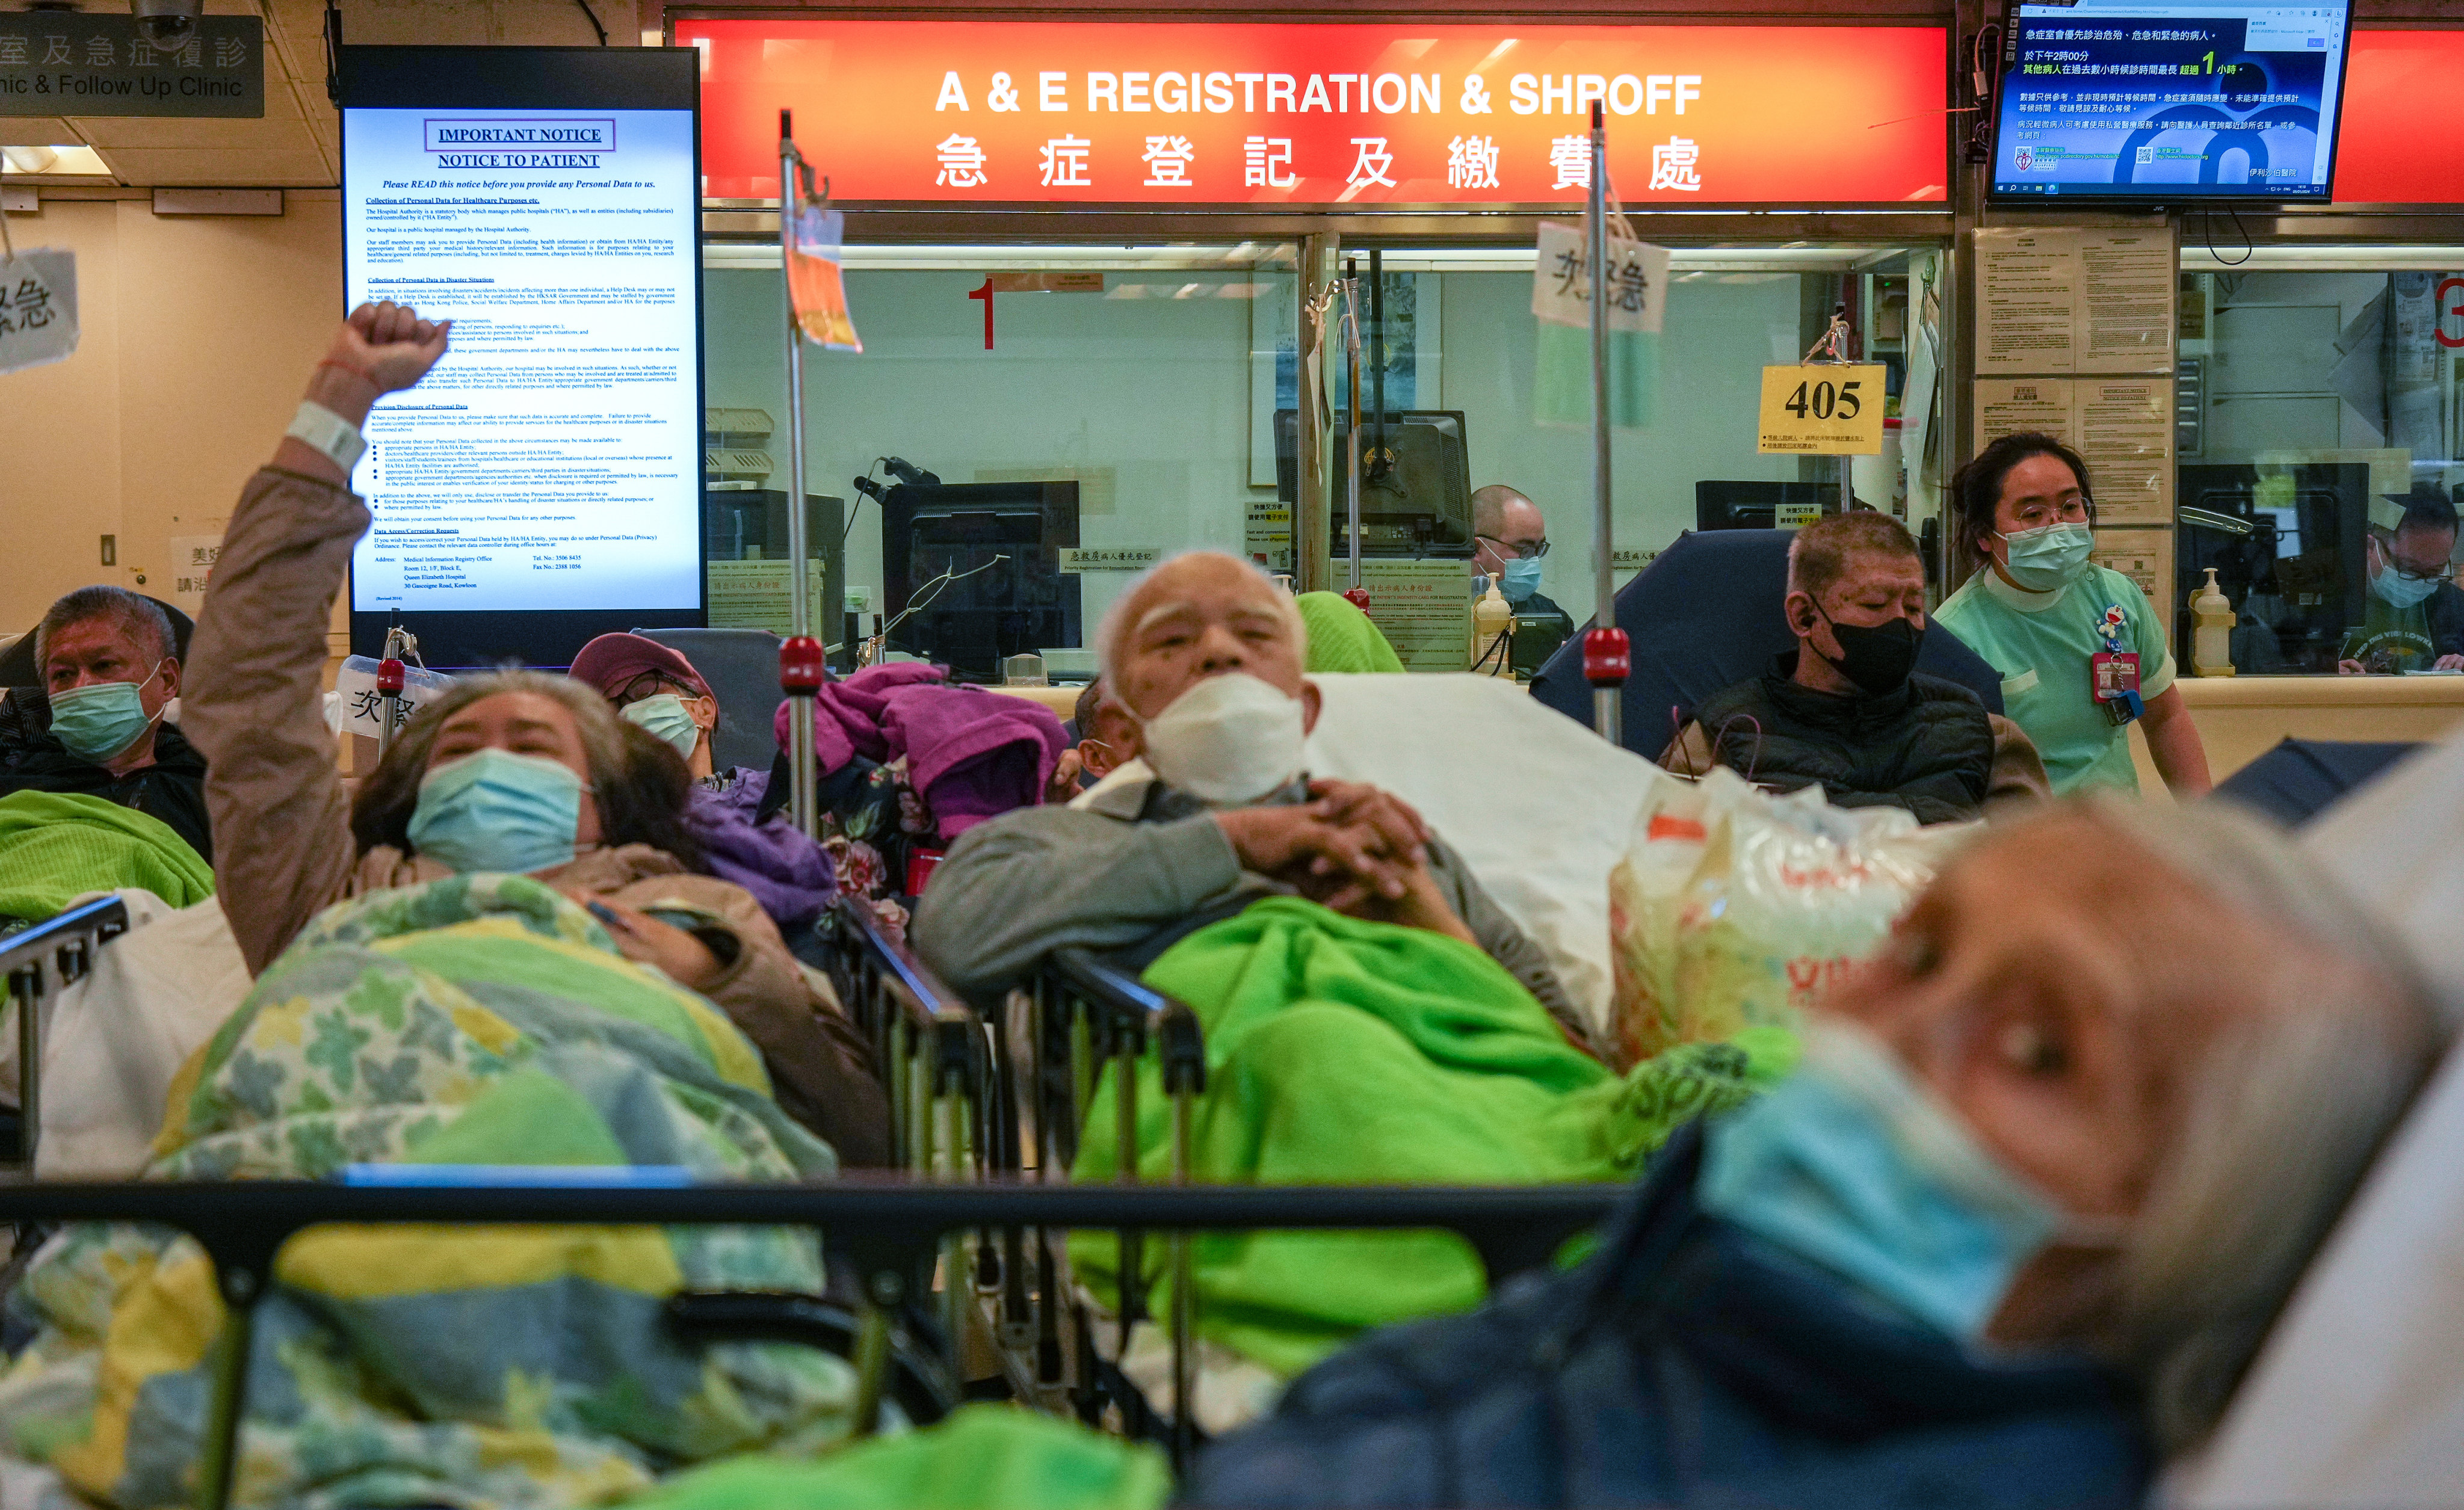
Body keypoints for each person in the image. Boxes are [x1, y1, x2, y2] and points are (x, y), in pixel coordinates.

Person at [1187, 799, 2444, 1508]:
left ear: (2199, 1228)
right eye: (1916, 952)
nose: (1893, 1033)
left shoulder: (1961, 1478)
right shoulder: (1703, 1273)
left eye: (2038, 1052)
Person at [184, 301, 888, 1166]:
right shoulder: (334, 897)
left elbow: (855, 1128)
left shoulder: (699, 911)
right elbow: (248, 685)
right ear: (409, 796)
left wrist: (720, 977)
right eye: (457, 751)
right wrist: (336, 405)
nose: (489, 765)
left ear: (608, 797)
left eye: (531, 748)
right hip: (348, 1189)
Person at [911, 549, 1592, 1050]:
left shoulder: (1396, 847)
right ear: (1120, 726)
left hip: (1474, 1167)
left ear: (1305, 711)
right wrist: (1235, 842)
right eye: (1175, 639)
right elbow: (953, 942)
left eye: (1255, 635)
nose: (1219, 652)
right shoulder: (1061, 848)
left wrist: (1431, 917)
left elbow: (1572, 1057)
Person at [1663, 512, 2049, 823]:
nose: (1902, 623)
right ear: (1805, 616)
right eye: (1876, 604)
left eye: (1914, 608)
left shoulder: (1987, 736)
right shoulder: (1722, 738)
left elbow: (2030, 879)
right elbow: (1671, 876)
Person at [1935, 433, 2211, 798]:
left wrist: (2209, 822)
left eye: (2070, 507)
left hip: (2119, 832)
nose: (2058, 526)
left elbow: (2166, 720)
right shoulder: (1954, 636)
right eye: (2032, 514)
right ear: (1985, 535)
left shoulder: (2116, 598)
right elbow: (1952, 775)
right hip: (2025, 842)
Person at [567, 632, 839, 941]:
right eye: (608, 708)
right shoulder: (594, 820)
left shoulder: (785, 793)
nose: (626, 714)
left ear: (703, 712)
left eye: (645, 691)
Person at [0, 586, 211, 860]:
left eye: (104, 666)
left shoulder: (212, 792)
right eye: (63, 674)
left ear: (167, 680)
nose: (82, 686)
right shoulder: (13, 774)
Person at [2337, 482, 2464, 674]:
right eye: (2410, 570)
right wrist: (2321, 672)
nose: (2422, 582)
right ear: (2371, 547)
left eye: (2435, 572)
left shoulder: (2453, 604)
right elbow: (2288, 666)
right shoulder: (2331, 598)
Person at [1469, 484, 1566, 621]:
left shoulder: (1549, 617)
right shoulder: (1442, 615)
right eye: (1524, 549)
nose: (1534, 560)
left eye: (1539, 549)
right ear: (1476, 548)